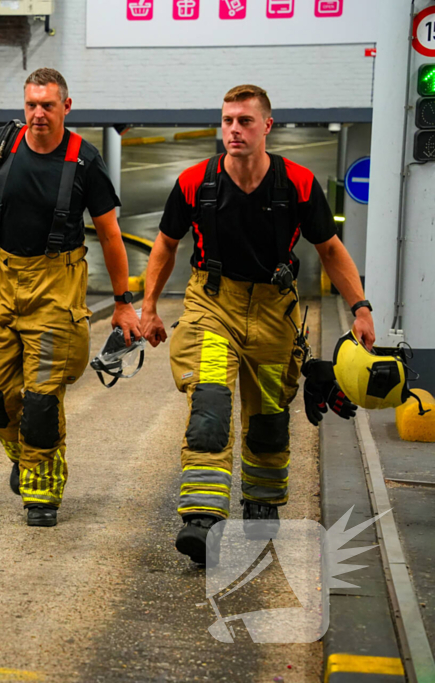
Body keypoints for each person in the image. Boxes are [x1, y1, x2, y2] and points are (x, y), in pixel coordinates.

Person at [138, 84, 375, 563]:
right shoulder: (194, 183)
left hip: (274, 311)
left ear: (267, 126)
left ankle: (262, 505)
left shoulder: (299, 185)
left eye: (244, 121)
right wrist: (147, 307)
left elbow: (330, 250)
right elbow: (164, 244)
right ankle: (202, 519)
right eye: (227, 120)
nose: (233, 129)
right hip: (212, 304)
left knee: (269, 415)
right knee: (210, 401)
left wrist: (361, 308)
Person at [0, 68, 141, 527]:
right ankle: (29, 458)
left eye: (48, 105)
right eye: (31, 105)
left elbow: (112, 237)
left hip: (56, 286)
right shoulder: (2, 145)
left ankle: (43, 493)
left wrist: (123, 302)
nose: (38, 114)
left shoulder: (85, 161)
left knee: (40, 400)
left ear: (66, 108)